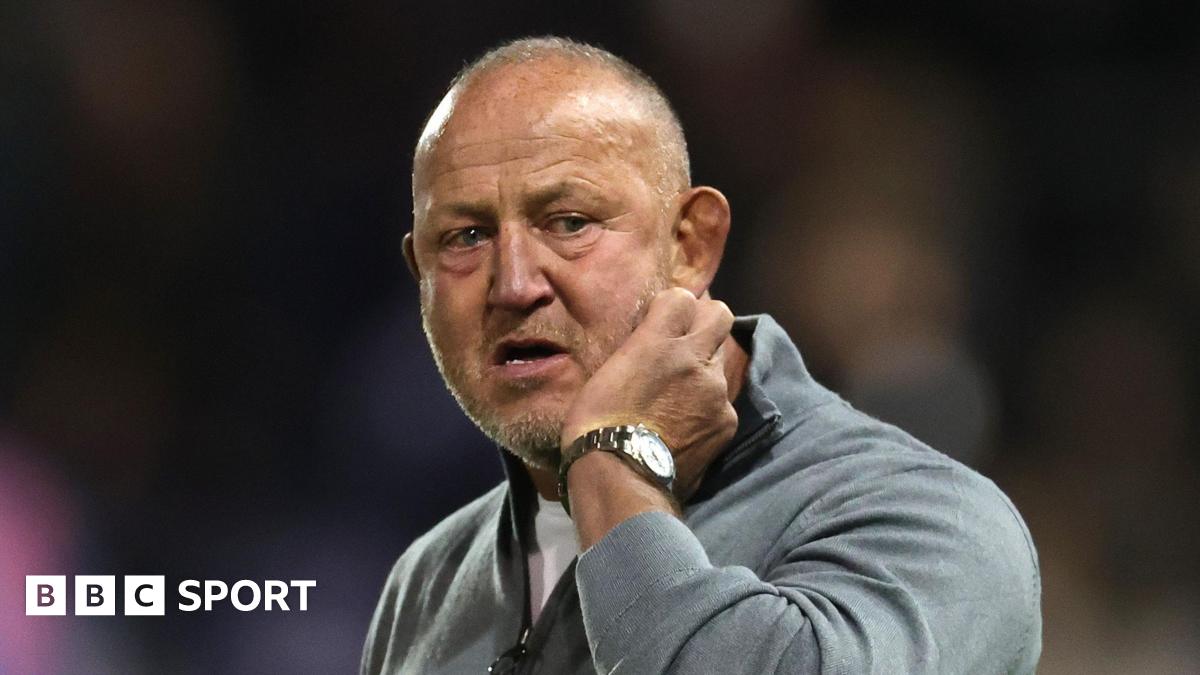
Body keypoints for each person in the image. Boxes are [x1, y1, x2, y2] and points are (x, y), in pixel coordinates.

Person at [361, 36, 1041, 674]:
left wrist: (612, 461)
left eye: (569, 223)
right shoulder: (428, 583)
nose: (512, 284)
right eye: (465, 237)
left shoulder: (927, 522)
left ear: (691, 245)